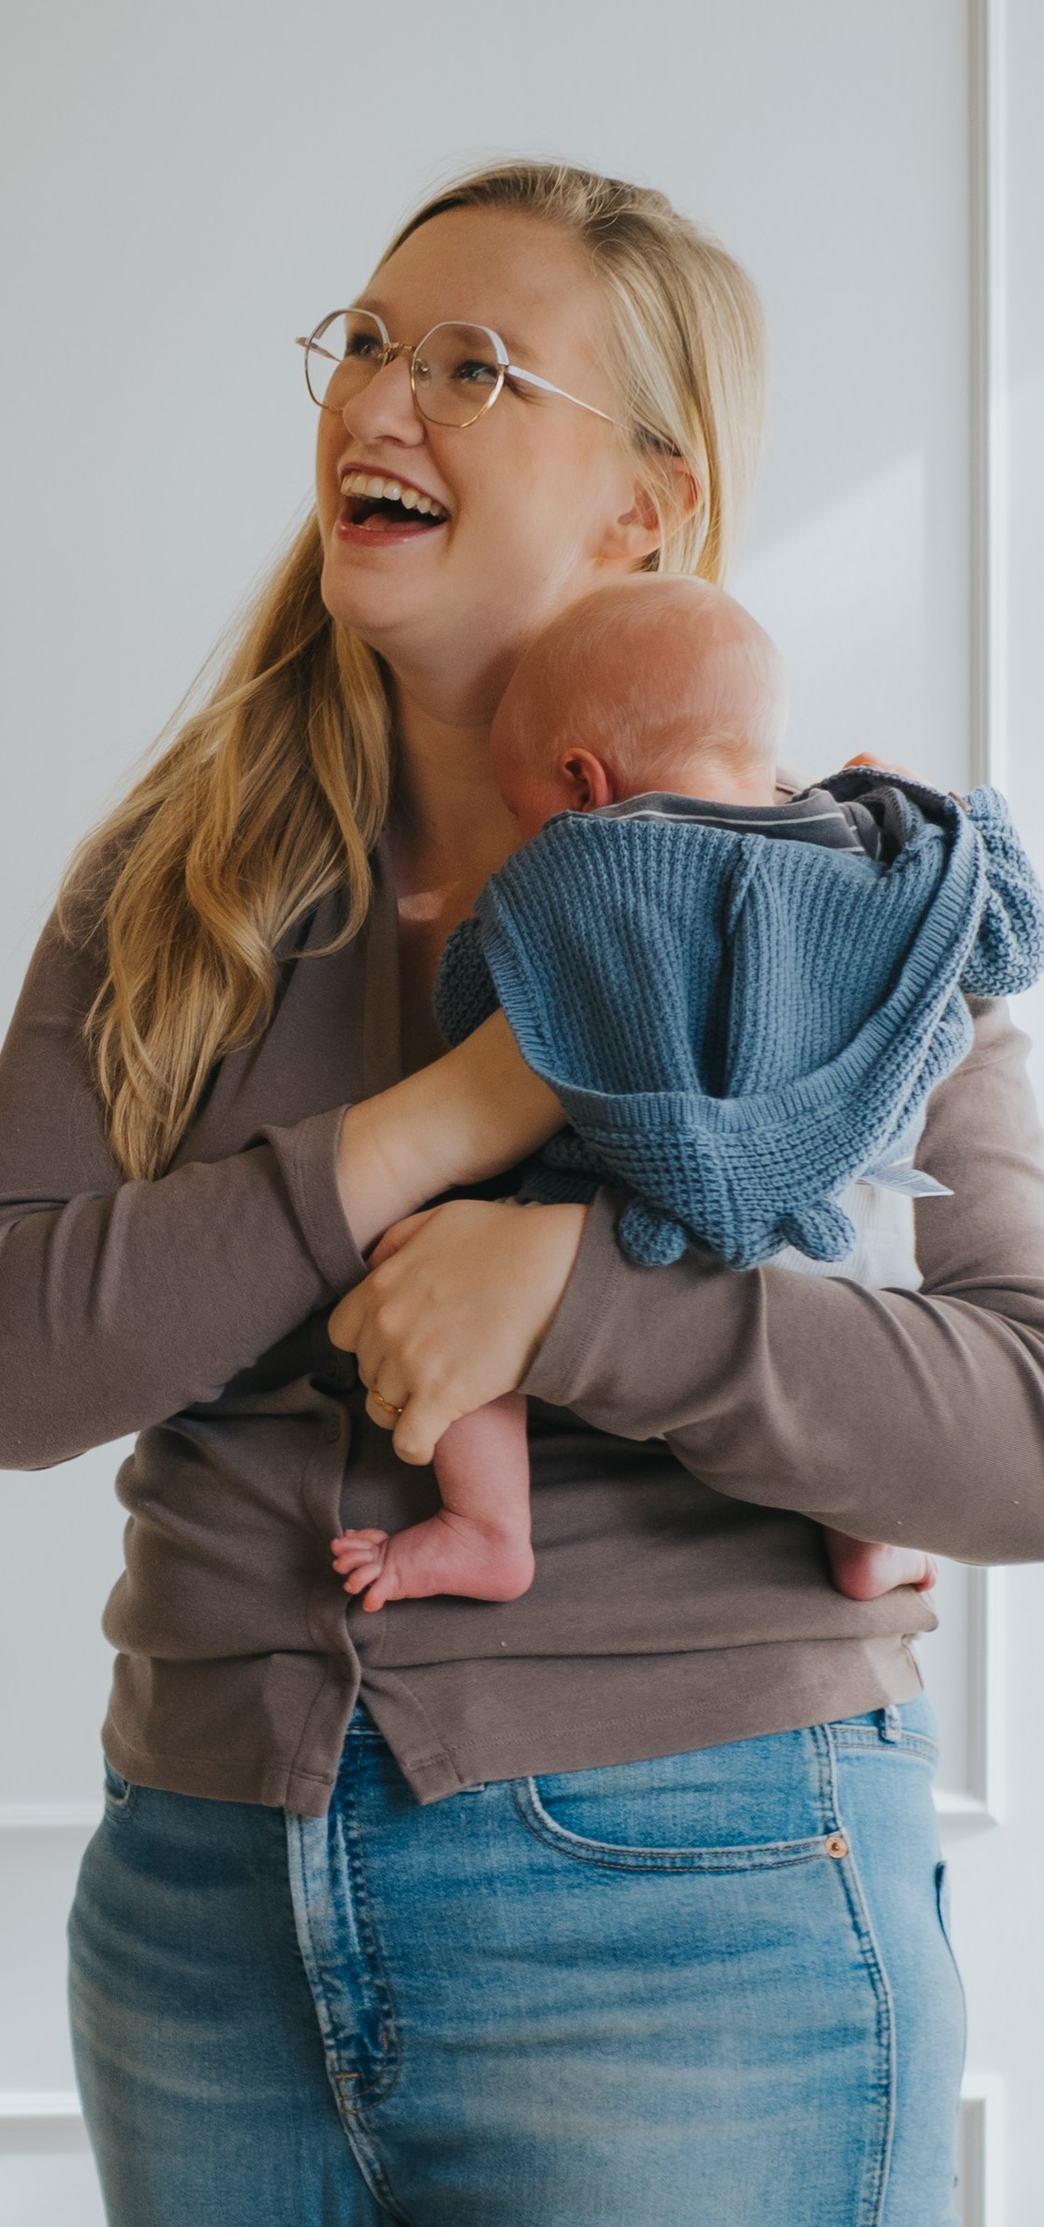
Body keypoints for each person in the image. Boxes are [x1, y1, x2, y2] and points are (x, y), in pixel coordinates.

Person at [0, 160, 1043, 2227]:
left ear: (652, 506)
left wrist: (600, 1302)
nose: (378, 402)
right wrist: (416, 1145)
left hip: (695, 1923)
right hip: (210, 1924)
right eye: (365, 339)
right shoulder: (178, 880)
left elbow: (1032, 1407)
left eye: (477, 366)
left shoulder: (851, 907)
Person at [328, 572, 1042, 1612]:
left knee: (445, 1272)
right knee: (863, 1377)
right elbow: (1009, 939)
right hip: (845, 1235)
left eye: (526, 814)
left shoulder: (582, 872)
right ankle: (868, 1538)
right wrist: (948, 821)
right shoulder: (878, 851)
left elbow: (476, 994)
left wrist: (484, 920)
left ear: (580, 783)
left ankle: (489, 1527)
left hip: (633, 1219)